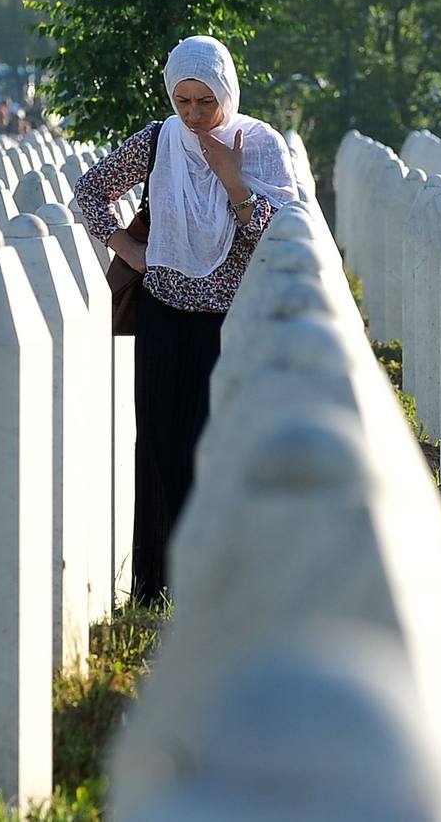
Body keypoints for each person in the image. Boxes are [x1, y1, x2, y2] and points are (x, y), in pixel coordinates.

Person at [75, 35, 299, 604]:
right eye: (184, 101)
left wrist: (232, 179)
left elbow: (279, 235)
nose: (195, 115)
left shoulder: (259, 146)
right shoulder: (157, 141)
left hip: (231, 325)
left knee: (214, 448)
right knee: (157, 447)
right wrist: (134, 253)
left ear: (227, 92)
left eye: (207, 102)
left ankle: (216, 590)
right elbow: (90, 193)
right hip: (162, 316)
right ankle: (154, 589)